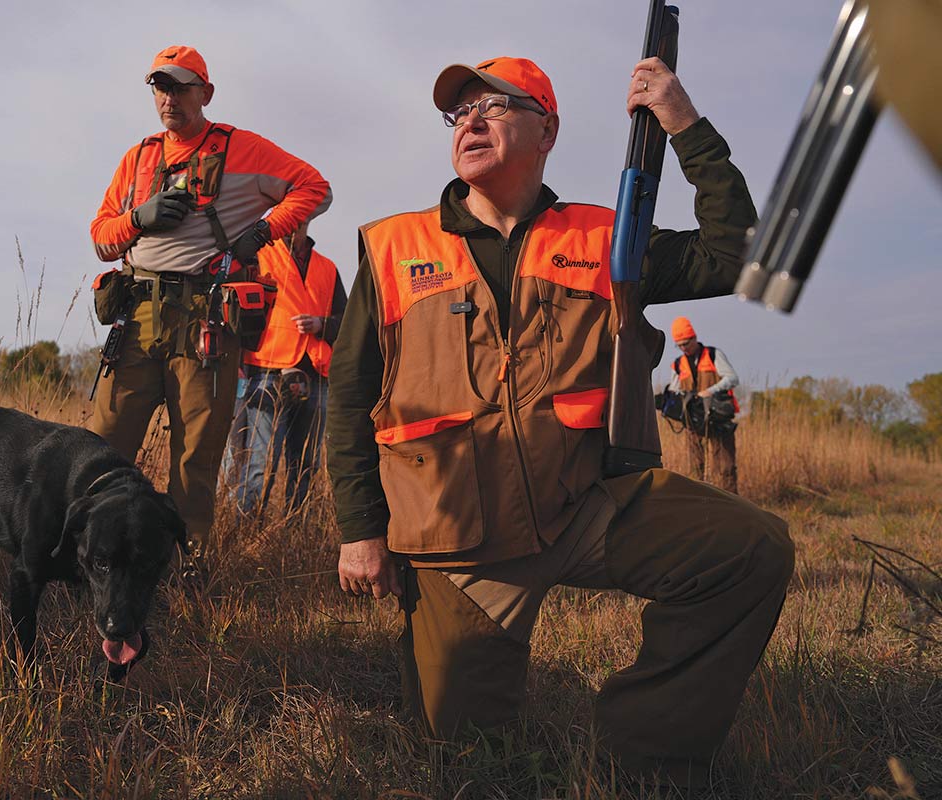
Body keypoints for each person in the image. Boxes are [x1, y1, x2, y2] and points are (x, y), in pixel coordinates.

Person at [326, 56, 795, 790]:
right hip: (459, 544)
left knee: (752, 550)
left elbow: (737, 255)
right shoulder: (393, 249)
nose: (471, 121)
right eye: (460, 112)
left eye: (494, 105)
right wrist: (361, 531)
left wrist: (684, 123)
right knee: (469, 760)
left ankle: (644, 751)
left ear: (546, 129)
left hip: (587, 506)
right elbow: (350, 397)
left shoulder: (609, 239)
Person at [88, 46, 331, 569]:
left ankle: (181, 569)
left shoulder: (243, 148)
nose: (169, 98)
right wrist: (138, 218)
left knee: (196, 458)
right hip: (138, 315)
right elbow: (102, 239)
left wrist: (263, 232)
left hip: (207, 321)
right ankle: (89, 561)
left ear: (207, 93)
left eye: (180, 87)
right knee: (101, 450)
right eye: (160, 87)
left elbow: (315, 188)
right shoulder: (137, 157)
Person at [221, 221, 346, 516]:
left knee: (306, 464)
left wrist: (321, 324)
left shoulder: (327, 267)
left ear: (308, 218)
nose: (292, 227)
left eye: (298, 219)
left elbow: (347, 320)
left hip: (316, 376)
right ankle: (245, 531)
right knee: (259, 464)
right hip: (266, 372)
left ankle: (296, 532)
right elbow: (233, 311)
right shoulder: (258, 259)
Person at [667, 316, 740, 493]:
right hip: (693, 421)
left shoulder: (713, 354)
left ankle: (730, 506)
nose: (684, 348)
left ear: (694, 337)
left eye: (686, 343)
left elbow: (732, 378)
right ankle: (699, 503)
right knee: (696, 467)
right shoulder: (678, 364)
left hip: (718, 417)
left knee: (725, 466)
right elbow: (674, 390)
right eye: (680, 345)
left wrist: (711, 390)